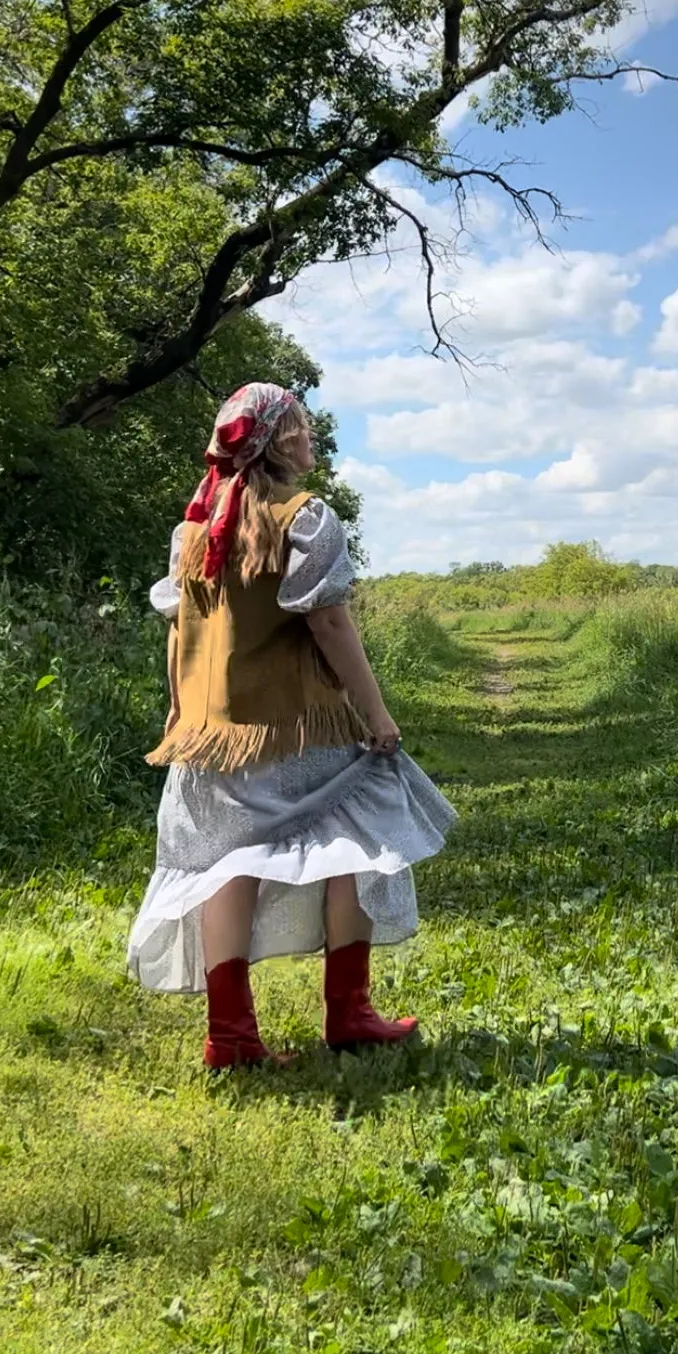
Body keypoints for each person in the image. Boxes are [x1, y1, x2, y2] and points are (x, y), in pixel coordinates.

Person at [126, 381, 456, 1069]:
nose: (312, 438)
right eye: (302, 427)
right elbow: (329, 621)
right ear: (278, 439)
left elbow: (180, 629)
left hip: (210, 732)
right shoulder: (305, 517)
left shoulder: (191, 529)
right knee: (358, 837)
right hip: (302, 725)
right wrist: (378, 713)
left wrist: (179, 708)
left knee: (225, 862)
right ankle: (349, 1013)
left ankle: (233, 1037)